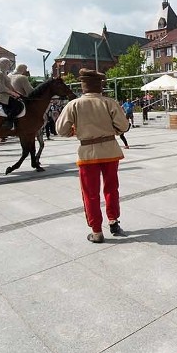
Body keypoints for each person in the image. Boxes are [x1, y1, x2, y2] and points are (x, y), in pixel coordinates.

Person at [56, 69, 130, 243]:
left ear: (83, 87)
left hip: (87, 154)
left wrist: (74, 131)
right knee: (111, 188)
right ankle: (113, 222)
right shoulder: (109, 102)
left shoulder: (74, 105)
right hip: (110, 151)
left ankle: (97, 231)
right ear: (100, 87)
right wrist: (114, 130)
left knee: (90, 193)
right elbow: (124, 126)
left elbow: (61, 130)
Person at [0, 57, 22, 130]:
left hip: (7, 95)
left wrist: (17, 92)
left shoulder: (4, 73)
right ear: (3, 64)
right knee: (16, 105)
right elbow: (0, 88)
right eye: (8, 64)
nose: (9, 66)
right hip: (1, 96)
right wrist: (13, 93)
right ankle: (8, 122)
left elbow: (9, 85)